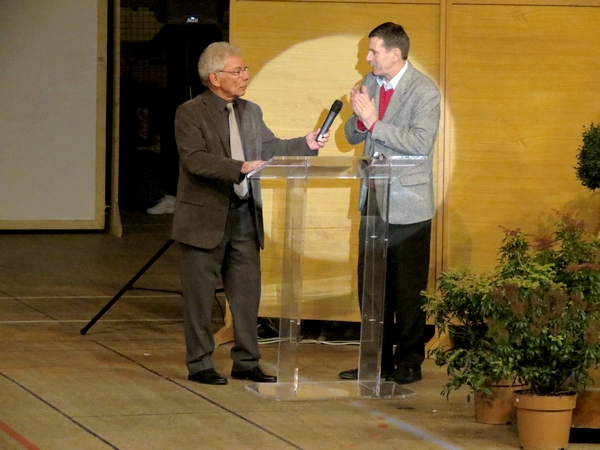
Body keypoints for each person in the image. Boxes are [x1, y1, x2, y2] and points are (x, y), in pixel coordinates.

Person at [172, 41, 329, 385]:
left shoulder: (251, 111)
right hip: (204, 219)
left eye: (245, 70)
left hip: (244, 214)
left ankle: (247, 361)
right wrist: (239, 166)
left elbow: (270, 149)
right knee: (199, 298)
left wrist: (306, 143)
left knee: (245, 295)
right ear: (215, 77)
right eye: (238, 71)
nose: (245, 76)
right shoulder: (190, 112)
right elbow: (195, 159)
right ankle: (200, 364)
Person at [339, 22, 441, 385]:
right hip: (374, 198)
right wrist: (360, 119)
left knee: (407, 288)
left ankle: (409, 361)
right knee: (372, 287)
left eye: (374, 52)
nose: (367, 58)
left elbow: (419, 143)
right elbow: (351, 134)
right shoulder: (370, 83)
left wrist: (374, 121)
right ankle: (374, 361)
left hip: (408, 202)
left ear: (395, 54)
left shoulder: (424, 91)